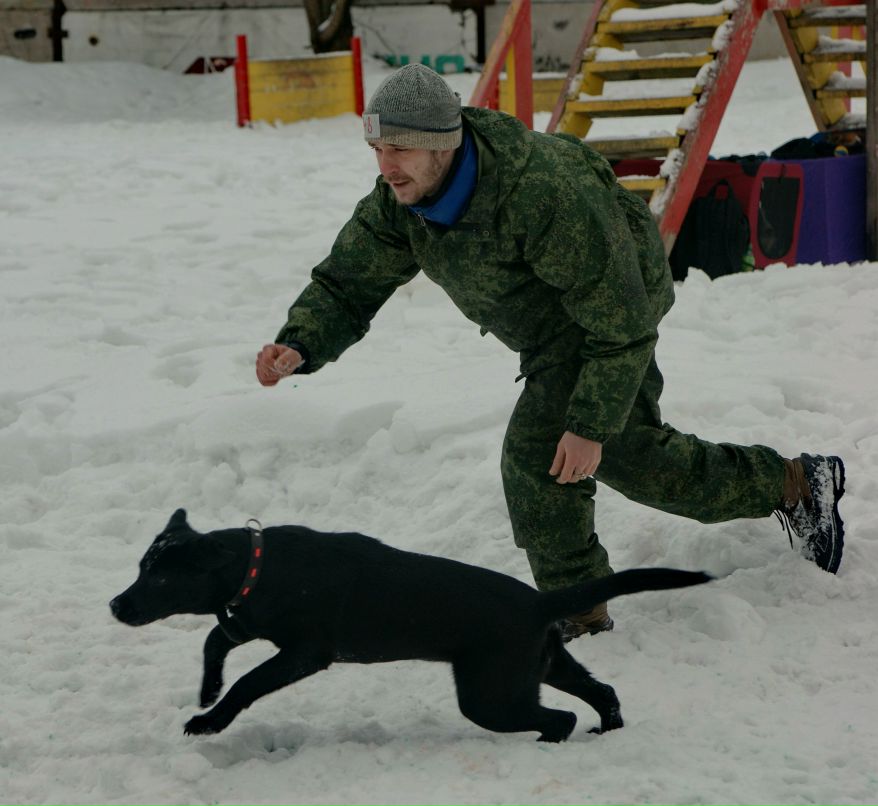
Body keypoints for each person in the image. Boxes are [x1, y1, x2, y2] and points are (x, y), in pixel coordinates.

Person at [256, 64, 846, 639]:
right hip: (550, 329)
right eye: (378, 150)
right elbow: (348, 281)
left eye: (400, 150)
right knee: (637, 458)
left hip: (610, 312)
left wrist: (588, 423)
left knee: (544, 457)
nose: (386, 167)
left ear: (442, 145)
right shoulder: (401, 200)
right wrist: (300, 342)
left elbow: (621, 320)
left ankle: (578, 612)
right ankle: (797, 483)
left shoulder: (540, 192)